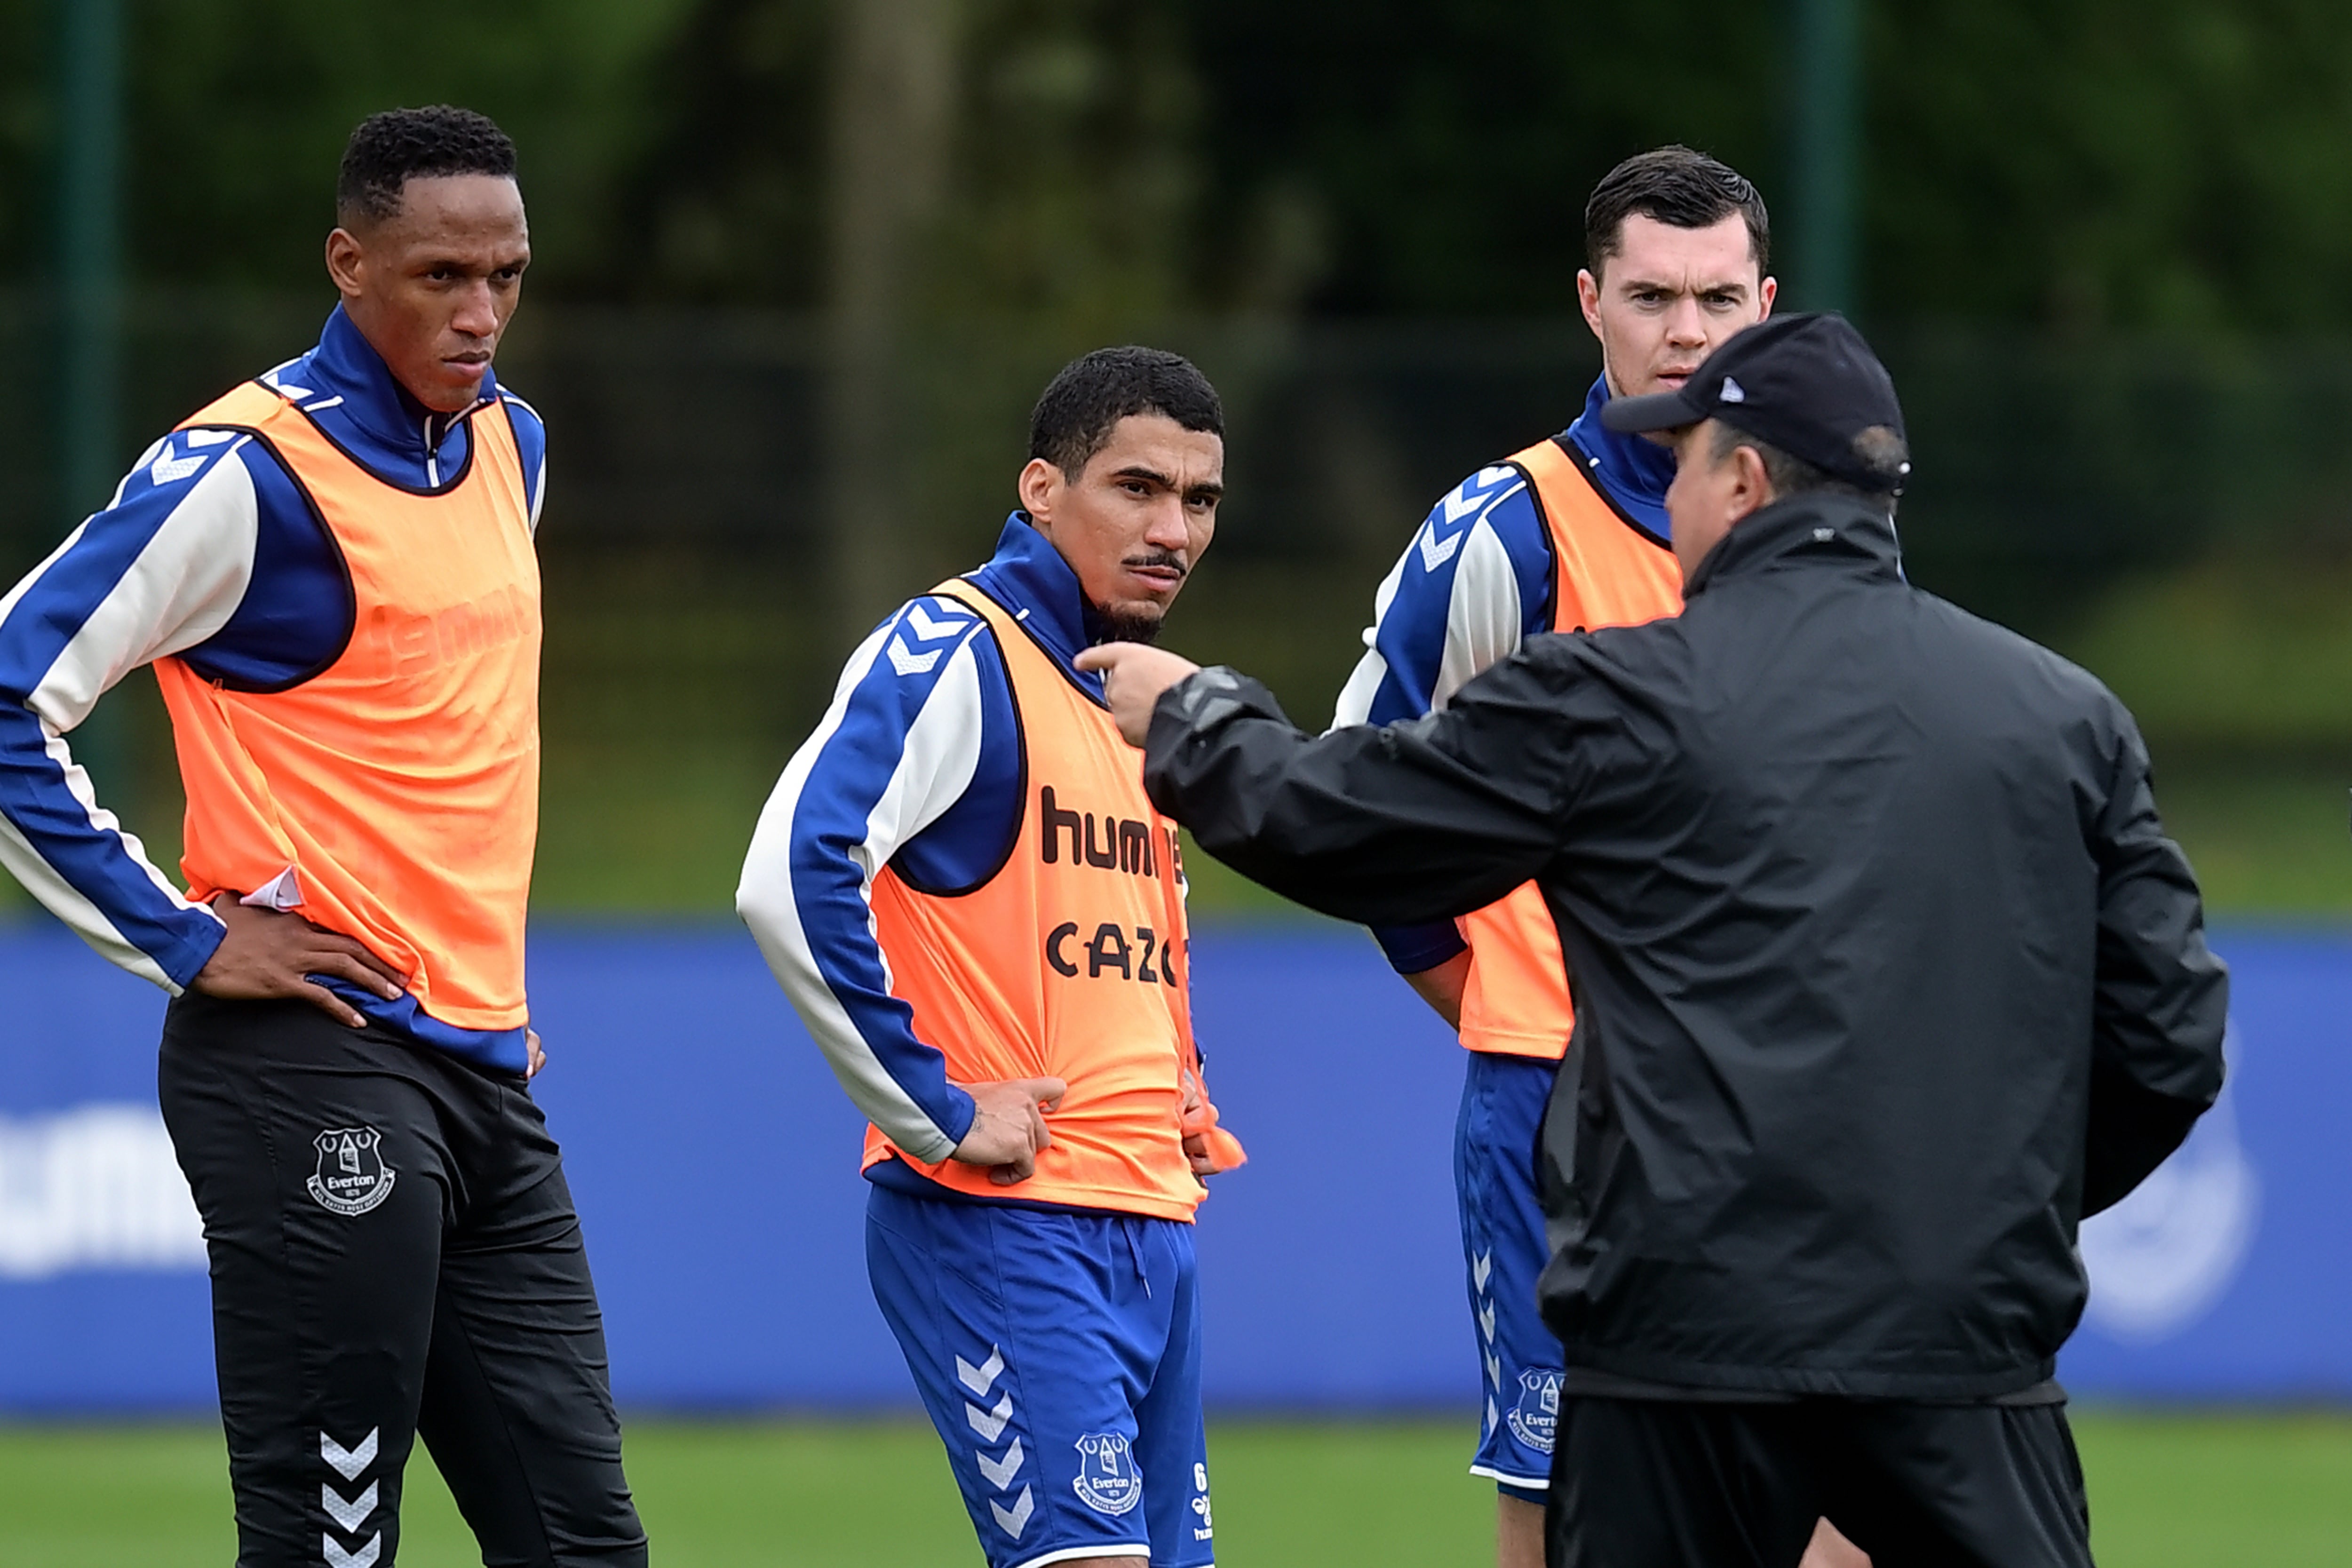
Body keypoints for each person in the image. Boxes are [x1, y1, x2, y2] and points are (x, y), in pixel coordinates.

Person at [1081, 311, 2229, 1568]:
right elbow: (2169, 1034)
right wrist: (1997, 1207)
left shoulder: (1616, 697)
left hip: (1683, 1346)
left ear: (1741, 479)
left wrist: (1196, 720)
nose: (1667, 492)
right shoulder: (2066, 718)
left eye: (1679, 463)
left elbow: (1346, 823)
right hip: (1961, 1342)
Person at [0, 108, 647, 1566]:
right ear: (349, 264)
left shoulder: (512, 449)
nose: (482, 313)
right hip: (310, 1053)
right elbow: (8, 694)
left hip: (487, 1073)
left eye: (509, 275)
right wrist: (177, 935)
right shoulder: (245, 474)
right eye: (440, 277)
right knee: (331, 1545)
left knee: (586, 1543)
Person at [1324, 143, 1880, 1568]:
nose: (1685, 333)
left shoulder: (1832, 524)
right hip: (1567, 1113)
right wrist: (1490, 1001)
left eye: (1714, 299)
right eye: (1650, 297)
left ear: (1765, 302)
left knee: (1850, 1509)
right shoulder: (1510, 530)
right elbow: (1358, 786)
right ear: (1592, 304)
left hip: (1787, 1103)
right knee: (1571, 1517)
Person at [738, 347, 1245, 1568]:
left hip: (1148, 1221)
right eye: (1136, 488)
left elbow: (1109, 917)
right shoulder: (958, 651)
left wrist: (1181, 1076)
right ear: (1039, 489)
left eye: (1200, 501)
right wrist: (935, 1108)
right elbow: (791, 875)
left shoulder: (1135, 694)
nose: (1171, 528)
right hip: (1009, 1221)